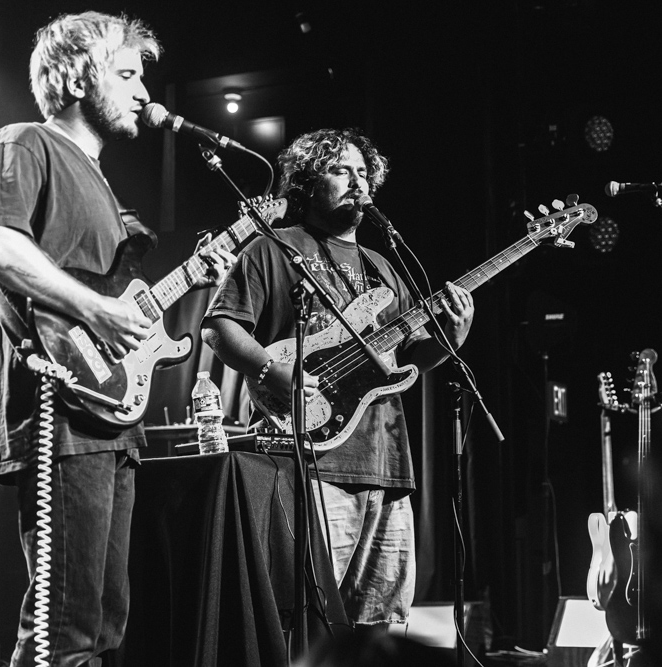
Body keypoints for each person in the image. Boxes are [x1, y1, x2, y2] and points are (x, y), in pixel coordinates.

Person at [0, 12, 232, 667]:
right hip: (59, 413)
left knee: (105, 625)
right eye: (128, 74)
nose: (144, 92)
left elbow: (120, 304)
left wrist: (197, 280)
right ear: (79, 79)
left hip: (108, 416)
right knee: (65, 631)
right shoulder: (25, 143)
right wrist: (96, 311)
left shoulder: (102, 184)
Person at [200, 128, 474, 630]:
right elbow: (219, 327)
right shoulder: (273, 248)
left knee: (379, 625)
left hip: (386, 463)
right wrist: (271, 369)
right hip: (313, 461)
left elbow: (411, 360)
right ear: (306, 183)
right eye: (340, 170)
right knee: (309, 619)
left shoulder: (383, 267)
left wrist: (452, 338)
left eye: (363, 172)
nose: (357, 181)